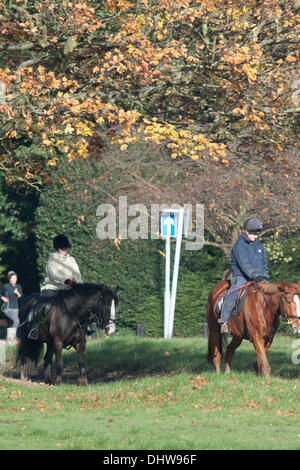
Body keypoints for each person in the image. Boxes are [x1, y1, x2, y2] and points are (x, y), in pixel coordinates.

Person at [218, 217, 269, 334]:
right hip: (241, 277)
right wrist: (255, 275)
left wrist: (264, 276)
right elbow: (244, 264)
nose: (255, 236)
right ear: (246, 232)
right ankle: (224, 321)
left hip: (259, 278)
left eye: (257, 233)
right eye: (253, 234)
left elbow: (264, 263)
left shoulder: (259, 245)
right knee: (233, 293)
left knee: (272, 294)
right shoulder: (239, 245)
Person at [28, 234, 83, 339]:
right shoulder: (52, 259)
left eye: (66, 248)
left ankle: (83, 328)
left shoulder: (72, 259)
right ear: (57, 248)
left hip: (68, 289)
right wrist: (67, 281)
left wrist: (79, 284)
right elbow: (54, 275)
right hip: (52, 288)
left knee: (82, 305)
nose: (65, 250)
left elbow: (77, 273)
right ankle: (34, 329)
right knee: (40, 306)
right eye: (63, 248)